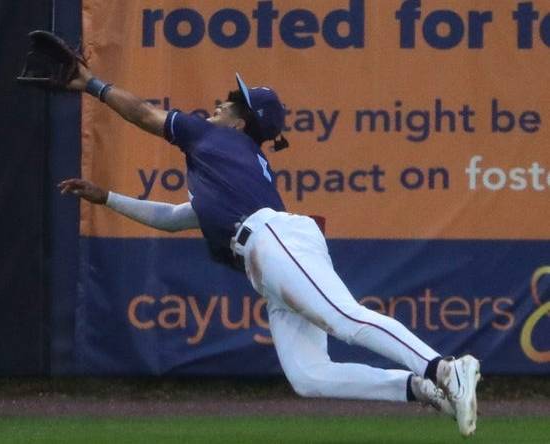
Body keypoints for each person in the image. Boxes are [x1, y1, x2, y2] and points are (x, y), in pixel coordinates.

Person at [58, 64, 480, 437]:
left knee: (346, 319)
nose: (219, 106)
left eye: (231, 103)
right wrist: (108, 198)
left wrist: (92, 84)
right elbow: (173, 218)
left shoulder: (211, 137)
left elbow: (145, 114)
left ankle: (444, 368)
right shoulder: (225, 163)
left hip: (272, 238)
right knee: (309, 376)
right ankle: (418, 387)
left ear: (240, 124)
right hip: (267, 254)